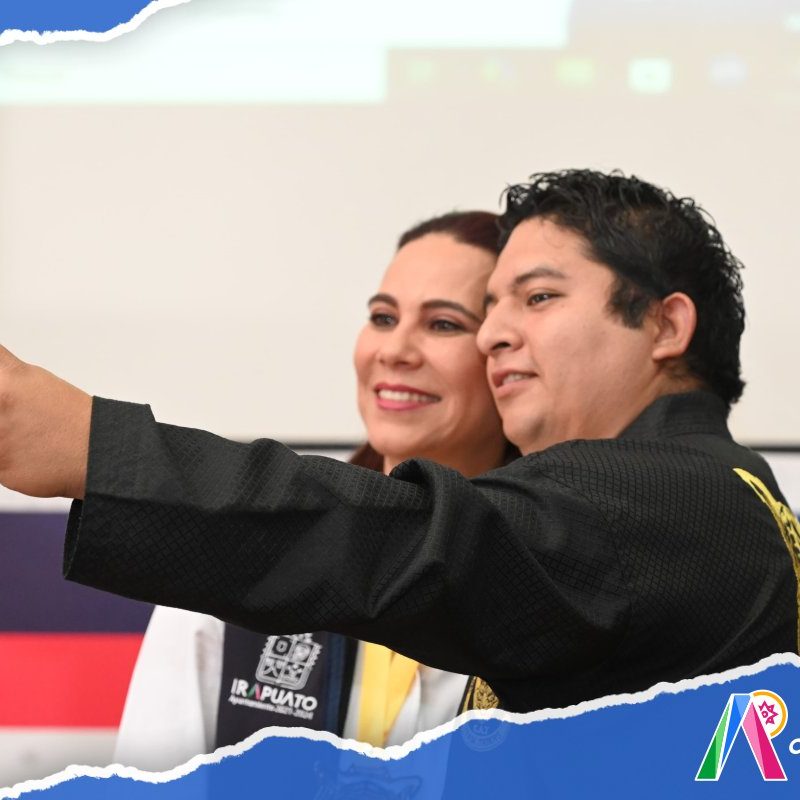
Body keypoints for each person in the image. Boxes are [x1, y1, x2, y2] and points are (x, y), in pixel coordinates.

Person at [0, 169, 797, 714]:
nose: (495, 336)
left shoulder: (658, 501)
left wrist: (91, 446)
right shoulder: (717, 496)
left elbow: (396, 542)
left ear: (666, 325)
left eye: (537, 298)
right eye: (491, 307)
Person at [113, 211, 517, 770]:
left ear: (509, 355)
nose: (394, 350)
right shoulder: (243, 547)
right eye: (383, 317)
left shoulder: (552, 588)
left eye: (444, 324)